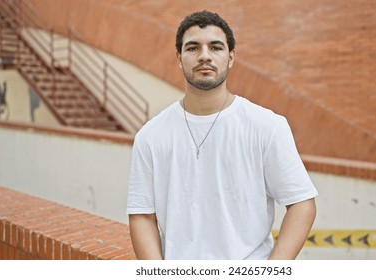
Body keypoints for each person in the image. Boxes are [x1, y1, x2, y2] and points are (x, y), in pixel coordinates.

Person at [127, 10, 318, 260]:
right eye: (193, 48)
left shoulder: (267, 126)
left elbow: (302, 204)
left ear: (230, 57)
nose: (204, 56)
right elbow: (142, 215)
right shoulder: (150, 136)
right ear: (179, 57)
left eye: (215, 48)